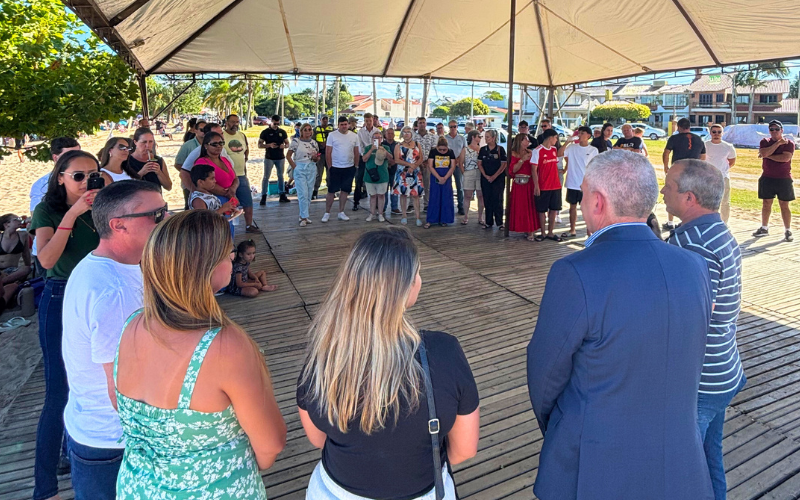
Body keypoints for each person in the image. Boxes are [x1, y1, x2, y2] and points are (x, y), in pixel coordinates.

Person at [527, 150, 715, 500]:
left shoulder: (575, 272)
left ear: (597, 201)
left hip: (595, 462)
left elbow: (546, 375)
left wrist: (566, 427)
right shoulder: (694, 266)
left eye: (582, 194)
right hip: (679, 459)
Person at [112, 210, 286, 498]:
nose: (232, 260)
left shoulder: (132, 325)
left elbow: (119, 404)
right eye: (227, 254)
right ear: (204, 266)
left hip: (137, 488)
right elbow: (271, 443)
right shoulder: (224, 346)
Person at [297, 227, 480, 500]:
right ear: (404, 288)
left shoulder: (323, 353)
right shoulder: (443, 352)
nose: (420, 279)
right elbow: (464, 449)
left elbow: (318, 438)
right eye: (416, 272)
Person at [61, 180, 164, 500]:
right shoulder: (112, 290)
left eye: (165, 210)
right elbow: (121, 385)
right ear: (118, 225)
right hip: (116, 442)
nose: (165, 220)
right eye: (155, 215)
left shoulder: (111, 267)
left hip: (96, 431)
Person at [662, 159, 745, 500]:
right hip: (722, 370)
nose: (663, 191)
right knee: (709, 461)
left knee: (678, 469)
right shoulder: (716, 231)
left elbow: (692, 315)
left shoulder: (694, 245)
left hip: (699, 381)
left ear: (689, 198)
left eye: (669, 186)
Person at [30, 150, 102, 500]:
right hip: (60, 296)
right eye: (78, 176)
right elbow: (45, 259)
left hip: (99, 293)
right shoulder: (48, 210)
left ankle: (75, 453)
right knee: (58, 390)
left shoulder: (103, 204)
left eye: (94, 174)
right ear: (60, 176)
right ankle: (44, 488)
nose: (87, 181)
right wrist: (74, 213)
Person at [30, 138, 82, 280]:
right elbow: (37, 219)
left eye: (78, 154)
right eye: (69, 155)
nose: (75, 159)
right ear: (55, 157)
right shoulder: (42, 185)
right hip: (50, 251)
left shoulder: (88, 181)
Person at [752, 119, 795, 241]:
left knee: (784, 205)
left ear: (782, 130)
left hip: (784, 178)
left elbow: (785, 158)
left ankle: (787, 230)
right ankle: (764, 228)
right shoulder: (765, 141)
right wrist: (777, 144)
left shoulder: (789, 143)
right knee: (766, 204)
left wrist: (767, 155)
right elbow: (764, 152)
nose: (774, 131)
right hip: (767, 177)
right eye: (772, 129)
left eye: (777, 129)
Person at [662, 117, 706, 229]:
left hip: (678, 169)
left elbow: (666, 153)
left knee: (672, 192)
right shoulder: (698, 139)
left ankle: (670, 222)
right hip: (693, 171)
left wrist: (666, 166)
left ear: (679, 127)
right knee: (691, 195)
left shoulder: (674, 138)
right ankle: (690, 220)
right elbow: (703, 156)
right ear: (689, 127)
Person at [222, 114, 259, 233]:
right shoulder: (222, 136)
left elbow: (246, 148)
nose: (235, 124)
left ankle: (249, 225)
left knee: (247, 200)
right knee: (226, 201)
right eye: (232, 122)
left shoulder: (241, 135)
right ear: (226, 123)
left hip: (241, 174)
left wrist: (245, 159)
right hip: (227, 175)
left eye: (237, 122)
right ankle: (225, 227)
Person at [560, 126, 598, 238]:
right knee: (572, 207)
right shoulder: (572, 147)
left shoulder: (593, 150)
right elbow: (559, 154)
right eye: (579, 133)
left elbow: (595, 167)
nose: (580, 135)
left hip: (586, 184)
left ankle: (589, 230)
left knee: (588, 208)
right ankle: (572, 229)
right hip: (572, 182)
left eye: (582, 133)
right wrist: (567, 142)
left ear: (588, 136)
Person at [322, 116, 360, 222]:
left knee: (345, 191)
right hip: (335, 167)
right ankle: (327, 212)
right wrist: (330, 166)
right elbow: (328, 152)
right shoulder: (332, 135)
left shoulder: (354, 136)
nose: (344, 126)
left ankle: (341, 212)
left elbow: (356, 151)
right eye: (341, 124)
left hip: (349, 167)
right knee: (331, 191)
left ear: (348, 124)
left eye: (345, 124)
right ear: (338, 125)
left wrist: (356, 165)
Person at [531, 129, 562, 241]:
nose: (556, 140)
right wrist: (536, 186)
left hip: (556, 185)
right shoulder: (537, 150)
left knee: (554, 209)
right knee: (542, 210)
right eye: (555, 138)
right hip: (543, 185)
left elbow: (555, 165)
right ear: (550, 138)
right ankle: (543, 233)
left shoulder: (554, 149)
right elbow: (534, 169)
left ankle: (550, 232)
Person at [507, 134, 540, 241]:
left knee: (529, 207)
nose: (527, 141)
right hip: (518, 183)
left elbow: (535, 169)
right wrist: (522, 160)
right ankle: (520, 227)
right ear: (520, 141)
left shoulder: (530, 153)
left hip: (529, 183)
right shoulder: (513, 154)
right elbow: (513, 170)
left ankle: (530, 231)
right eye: (525, 139)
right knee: (519, 207)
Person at [287, 123, 321, 226]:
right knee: (303, 193)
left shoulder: (314, 143)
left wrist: (316, 158)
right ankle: (303, 217)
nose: (307, 132)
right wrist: (295, 167)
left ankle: (304, 215)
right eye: (305, 130)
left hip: (311, 167)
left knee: (309, 192)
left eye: (309, 129)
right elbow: (288, 156)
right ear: (301, 131)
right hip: (300, 167)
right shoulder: (296, 142)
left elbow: (317, 158)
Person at [704, 124, 737, 223]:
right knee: (707, 201)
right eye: (714, 132)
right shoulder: (704, 145)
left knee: (725, 202)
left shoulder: (728, 147)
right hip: (708, 178)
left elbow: (732, 161)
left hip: (723, 177)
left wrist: (723, 169)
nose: (716, 134)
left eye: (719, 132)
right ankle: (709, 222)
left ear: (722, 133)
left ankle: (724, 224)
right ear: (710, 133)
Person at [393, 126, 425, 227]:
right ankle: (404, 215)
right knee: (403, 194)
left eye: (408, 132)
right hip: (403, 172)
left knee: (415, 195)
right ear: (402, 134)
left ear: (412, 134)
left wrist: (414, 166)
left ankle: (418, 217)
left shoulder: (417, 144)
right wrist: (409, 165)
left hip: (415, 172)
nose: (406, 134)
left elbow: (421, 158)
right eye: (404, 132)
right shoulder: (398, 145)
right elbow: (397, 160)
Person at [424, 137, 456, 228]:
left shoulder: (450, 152)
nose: (442, 151)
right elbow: (430, 166)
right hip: (435, 175)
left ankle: (444, 219)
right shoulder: (433, 151)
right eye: (440, 149)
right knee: (434, 197)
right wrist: (438, 177)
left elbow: (452, 166)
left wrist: (445, 177)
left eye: (444, 150)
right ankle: (431, 219)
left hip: (447, 176)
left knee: (446, 198)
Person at [478, 129, 507, 230]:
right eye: (485, 137)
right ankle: (488, 222)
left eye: (488, 137)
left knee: (498, 199)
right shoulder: (483, 150)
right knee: (487, 199)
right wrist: (486, 175)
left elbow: (504, 164)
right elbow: (479, 164)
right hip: (486, 179)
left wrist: (495, 176)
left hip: (498, 179)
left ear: (494, 138)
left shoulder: (500, 149)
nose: (486, 139)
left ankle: (499, 222)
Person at [175, 119, 207, 209]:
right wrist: (192, 174)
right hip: (190, 183)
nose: (204, 132)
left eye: (206, 130)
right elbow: (178, 164)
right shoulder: (187, 145)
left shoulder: (211, 145)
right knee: (190, 210)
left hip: (207, 183)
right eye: (201, 130)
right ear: (195, 130)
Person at [362, 130, 393, 223]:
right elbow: (364, 159)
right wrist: (372, 149)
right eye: (375, 138)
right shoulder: (368, 148)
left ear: (382, 139)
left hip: (382, 175)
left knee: (381, 195)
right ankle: (371, 213)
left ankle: (380, 214)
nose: (377, 140)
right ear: (372, 139)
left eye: (379, 138)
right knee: (372, 196)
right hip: (369, 176)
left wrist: (384, 151)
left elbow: (391, 158)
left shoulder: (386, 147)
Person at [259, 115, 290, 204]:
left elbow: (287, 143)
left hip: (280, 157)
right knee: (266, 177)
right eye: (274, 123)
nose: (276, 125)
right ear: (271, 122)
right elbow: (260, 145)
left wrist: (284, 146)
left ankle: (282, 194)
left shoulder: (282, 132)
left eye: (277, 123)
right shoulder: (265, 132)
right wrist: (269, 145)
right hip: (269, 157)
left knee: (281, 176)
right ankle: (264, 196)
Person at [355, 113, 381, 211]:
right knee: (359, 179)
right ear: (364, 121)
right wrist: (364, 154)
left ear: (373, 120)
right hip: (364, 157)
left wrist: (373, 153)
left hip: (374, 157)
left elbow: (379, 143)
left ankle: (378, 203)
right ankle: (356, 202)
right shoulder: (360, 132)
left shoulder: (377, 131)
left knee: (377, 178)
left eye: (370, 120)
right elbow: (360, 145)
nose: (368, 122)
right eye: (366, 121)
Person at [414, 117, 438, 211]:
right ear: (417, 124)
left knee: (427, 184)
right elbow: (412, 151)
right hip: (416, 164)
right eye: (420, 123)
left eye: (423, 122)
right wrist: (418, 162)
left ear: (426, 124)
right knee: (415, 184)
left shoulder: (432, 136)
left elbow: (434, 150)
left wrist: (428, 161)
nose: (422, 124)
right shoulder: (413, 137)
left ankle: (426, 204)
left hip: (428, 164)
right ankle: (413, 204)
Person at [461, 130, 484, 225]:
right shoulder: (465, 149)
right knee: (467, 195)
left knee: (481, 196)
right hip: (469, 172)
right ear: (473, 137)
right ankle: (466, 216)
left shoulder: (481, 149)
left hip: (479, 173)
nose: (480, 138)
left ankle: (480, 217)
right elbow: (460, 163)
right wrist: (464, 173)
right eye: (479, 136)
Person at [0, 214, 32, 283]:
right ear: (6, 224)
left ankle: (2, 282)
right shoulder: (0, 237)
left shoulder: (23, 235)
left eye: (19, 219)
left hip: (13, 270)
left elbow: (26, 253)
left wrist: (28, 266)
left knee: (26, 269)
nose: (19, 221)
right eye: (15, 219)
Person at [446, 120, 467, 216]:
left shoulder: (462, 138)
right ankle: (449, 206)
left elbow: (465, 149)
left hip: (458, 165)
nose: (453, 128)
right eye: (451, 127)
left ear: (457, 127)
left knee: (460, 186)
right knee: (448, 186)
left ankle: (461, 206)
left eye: (454, 126)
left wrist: (459, 159)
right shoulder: (445, 138)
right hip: (448, 165)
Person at [313, 116, 334, 199]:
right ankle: (315, 191)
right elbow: (312, 140)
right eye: (323, 119)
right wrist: (320, 144)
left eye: (326, 119)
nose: (325, 121)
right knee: (319, 174)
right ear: (320, 120)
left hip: (330, 154)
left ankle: (331, 191)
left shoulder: (332, 130)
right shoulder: (316, 130)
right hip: (320, 154)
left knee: (330, 173)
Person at [382, 128, 400, 215]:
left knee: (394, 190)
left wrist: (393, 162)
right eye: (388, 133)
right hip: (384, 170)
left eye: (391, 133)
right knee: (384, 190)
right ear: (385, 134)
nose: (390, 135)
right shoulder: (381, 145)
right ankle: (383, 207)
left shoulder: (397, 145)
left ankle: (394, 207)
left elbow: (399, 157)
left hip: (394, 170)